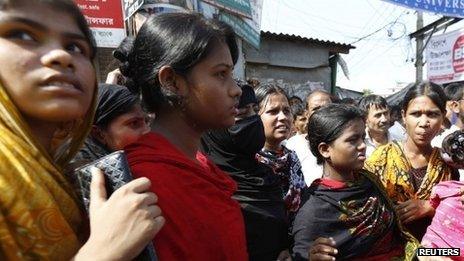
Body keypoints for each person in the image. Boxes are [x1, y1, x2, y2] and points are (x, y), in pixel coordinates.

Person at [0, 0, 164, 259]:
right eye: (22, 34)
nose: (62, 56)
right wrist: (103, 251)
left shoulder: (62, 169)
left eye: (76, 47)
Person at [117, 12, 248, 260]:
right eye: (221, 74)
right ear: (172, 82)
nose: (236, 90)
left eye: (231, 74)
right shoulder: (144, 184)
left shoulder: (199, 165)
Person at [292, 104, 419, 261]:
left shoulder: (370, 182)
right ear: (325, 149)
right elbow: (302, 254)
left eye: (362, 138)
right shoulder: (314, 210)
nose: (363, 146)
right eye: (352, 140)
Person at [201, 83, 288, 261]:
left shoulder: (266, 174)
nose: (252, 120)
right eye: (241, 113)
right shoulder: (205, 183)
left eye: (254, 110)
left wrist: (287, 248)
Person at [364, 81, 456, 240]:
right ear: (403, 116)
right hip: (389, 252)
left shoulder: (449, 164)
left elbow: (457, 213)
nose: (424, 123)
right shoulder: (379, 160)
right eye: (416, 114)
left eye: (433, 114)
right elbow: (363, 211)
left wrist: (430, 207)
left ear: (442, 117)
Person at [255, 84, 306, 213]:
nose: (283, 117)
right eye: (273, 111)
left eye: (286, 111)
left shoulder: (292, 159)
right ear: (255, 116)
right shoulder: (250, 161)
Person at [74, 83, 150, 163]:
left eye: (147, 121)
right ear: (99, 134)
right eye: (134, 123)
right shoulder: (86, 173)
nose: (147, 131)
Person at [286, 89, 333, 186]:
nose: (322, 112)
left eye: (327, 108)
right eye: (316, 109)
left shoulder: (345, 142)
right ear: (307, 114)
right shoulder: (293, 144)